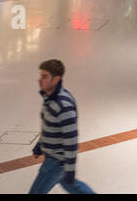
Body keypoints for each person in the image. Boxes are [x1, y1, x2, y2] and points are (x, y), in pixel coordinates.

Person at [29, 58, 95, 194]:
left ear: (56, 79)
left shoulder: (63, 105)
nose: (40, 80)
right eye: (41, 76)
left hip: (56, 162)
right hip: (55, 159)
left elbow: (71, 141)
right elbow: (49, 128)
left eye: (45, 77)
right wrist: (39, 145)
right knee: (75, 187)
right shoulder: (49, 99)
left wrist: (70, 169)